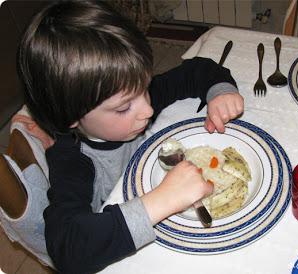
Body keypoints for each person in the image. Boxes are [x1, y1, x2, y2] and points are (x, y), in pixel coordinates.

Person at [17, 0, 244, 273]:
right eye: (124, 107)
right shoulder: (72, 160)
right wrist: (163, 200)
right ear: (72, 118)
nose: (147, 109)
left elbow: (197, 70)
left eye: (145, 88)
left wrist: (220, 91)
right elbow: (67, 249)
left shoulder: (132, 97)